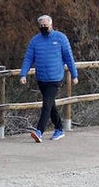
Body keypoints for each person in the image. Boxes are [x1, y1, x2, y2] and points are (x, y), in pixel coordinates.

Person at [19, 14, 78, 142]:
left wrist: (74, 75)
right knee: (50, 105)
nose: (43, 27)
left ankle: (39, 131)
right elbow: (29, 58)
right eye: (41, 26)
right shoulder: (35, 41)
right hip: (41, 78)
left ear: (51, 24)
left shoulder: (61, 38)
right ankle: (59, 128)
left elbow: (69, 57)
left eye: (45, 25)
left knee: (46, 104)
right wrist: (23, 74)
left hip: (55, 78)